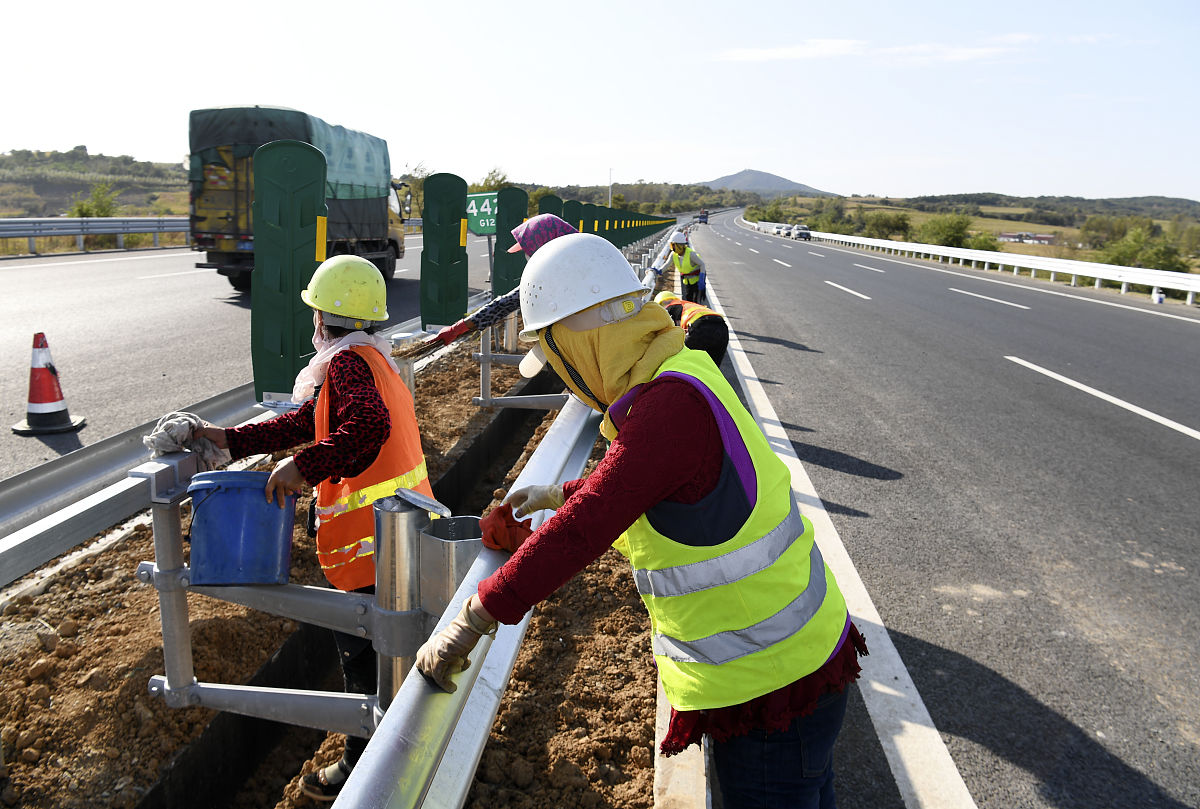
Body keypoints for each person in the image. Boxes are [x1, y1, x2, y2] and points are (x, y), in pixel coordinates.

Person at [415, 233, 866, 808]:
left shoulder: (666, 408)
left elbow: (586, 527)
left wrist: (473, 618)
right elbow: (655, 483)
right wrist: (562, 490)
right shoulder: (681, 367)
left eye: (559, 358)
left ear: (582, 342)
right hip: (796, 658)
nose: (567, 377)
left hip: (770, 684)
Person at [195, 254, 433, 802]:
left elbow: (366, 427)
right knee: (386, 654)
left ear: (324, 318)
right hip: (397, 536)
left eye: (315, 313)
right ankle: (394, 747)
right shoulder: (370, 360)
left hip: (370, 548)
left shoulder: (348, 366)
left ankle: (363, 766)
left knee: (365, 661)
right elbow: (309, 421)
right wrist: (231, 439)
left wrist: (303, 468)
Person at [402, 214, 579, 356]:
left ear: (546, 244)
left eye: (530, 251)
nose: (528, 257)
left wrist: (458, 328)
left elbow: (507, 303)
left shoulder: (572, 272)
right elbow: (506, 303)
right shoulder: (559, 268)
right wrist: (458, 328)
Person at [653, 290, 729, 367]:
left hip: (700, 327)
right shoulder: (687, 305)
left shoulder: (669, 309)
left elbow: (664, 333)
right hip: (722, 327)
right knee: (712, 367)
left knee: (682, 362)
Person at [667, 229, 706, 303]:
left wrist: (702, 279)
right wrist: (657, 270)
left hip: (697, 281)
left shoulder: (691, 254)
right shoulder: (673, 255)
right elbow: (666, 265)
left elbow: (702, 264)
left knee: (696, 302)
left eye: (673, 246)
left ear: (679, 245)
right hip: (687, 281)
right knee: (688, 300)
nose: (672, 248)